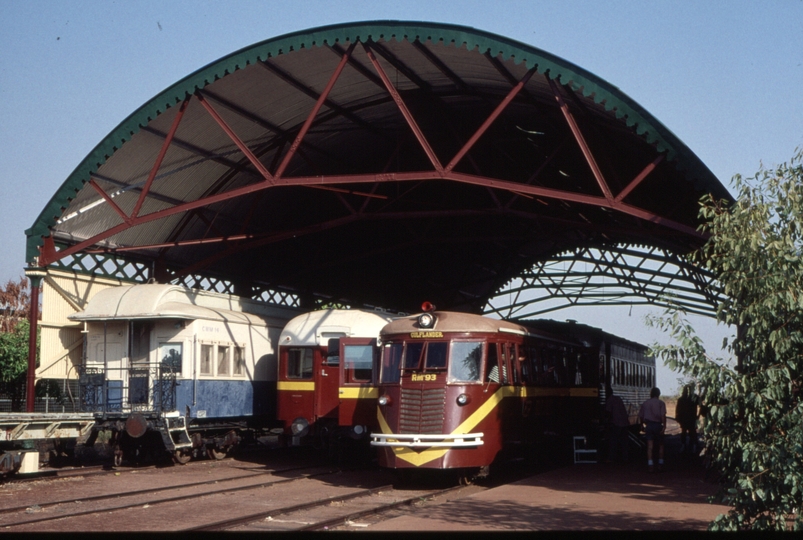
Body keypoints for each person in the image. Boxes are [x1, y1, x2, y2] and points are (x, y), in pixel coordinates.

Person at [638, 387, 666, 472]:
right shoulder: (661, 403)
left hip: (649, 425)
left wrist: (641, 425)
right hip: (658, 425)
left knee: (650, 446)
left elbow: (641, 416)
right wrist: (664, 426)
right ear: (658, 394)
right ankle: (660, 464)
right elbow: (663, 416)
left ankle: (650, 465)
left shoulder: (645, 403)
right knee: (661, 445)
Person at [604, 387, 630, 463]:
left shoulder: (609, 400)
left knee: (613, 441)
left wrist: (606, 422)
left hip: (617, 423)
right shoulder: (618, 398)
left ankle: (611, 458)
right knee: (624, 442)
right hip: (624, 423)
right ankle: (625, 458)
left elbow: (608, 413)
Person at [675, 385, 699, 456]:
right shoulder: (694, 398)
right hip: (691, 418)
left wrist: (677, 417)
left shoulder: (681, 399)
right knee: (692, 433)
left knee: (684, 432)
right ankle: (692, 447)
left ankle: (684, 446)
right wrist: (698, 415)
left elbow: (677, 410)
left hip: (685, 418)